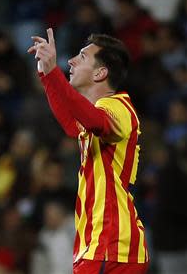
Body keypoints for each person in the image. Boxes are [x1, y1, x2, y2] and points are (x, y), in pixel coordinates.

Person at [27, 28, 149, 273]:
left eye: (81, 57)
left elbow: (94, 121)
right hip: (99, 245)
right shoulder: (97, 111)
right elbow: (73, 125)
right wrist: (46, 75)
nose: (70, 60)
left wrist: (53, 72)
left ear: (101, 73)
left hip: (111, 245)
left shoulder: (118, 108)